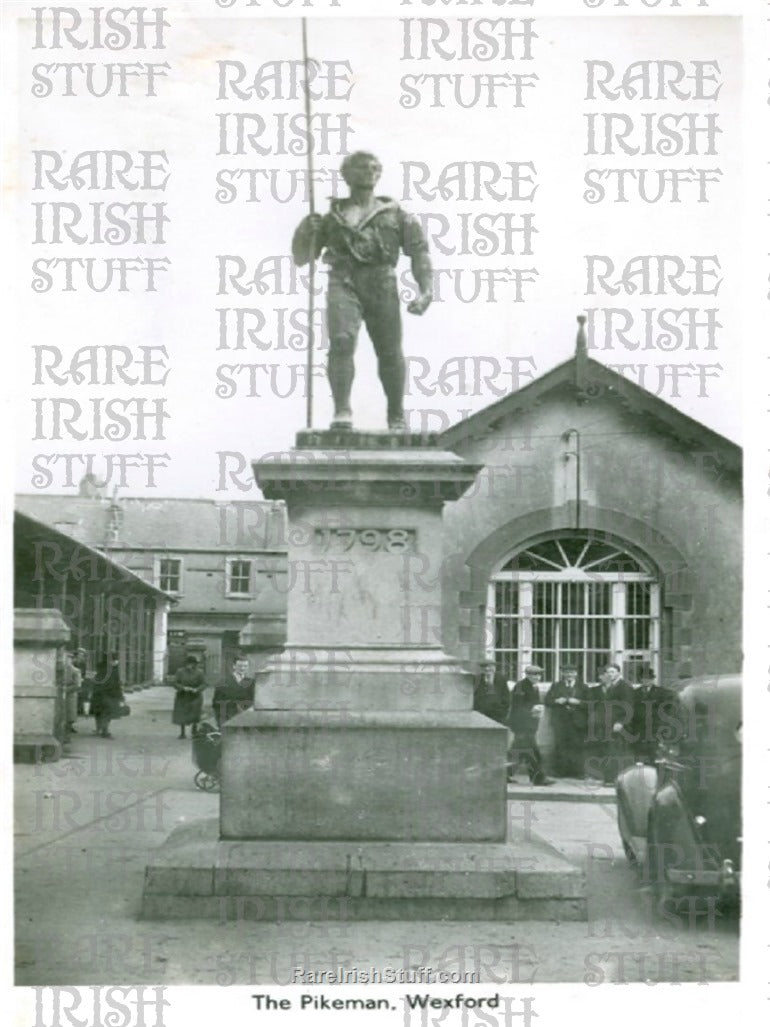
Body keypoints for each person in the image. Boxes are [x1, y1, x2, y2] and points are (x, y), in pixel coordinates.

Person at [292, 151, 433, 431]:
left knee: (389, 350)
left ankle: (396, 414)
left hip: (382, 282)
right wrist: (305, 231)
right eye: (361, 167)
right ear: (347, 174)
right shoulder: (332, 216)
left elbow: (419, 252)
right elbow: (301, 256)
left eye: (374, 167)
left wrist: (426, 290)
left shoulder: (398, 215)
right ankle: (342, 410)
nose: (369, 171)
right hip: (343, 280)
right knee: (342, 342)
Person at [583, 663, 634, 784]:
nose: (609, 674)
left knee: (614, 751)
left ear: (618, 673)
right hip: (604, 724)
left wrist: (621, 722)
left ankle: (612, 779)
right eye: (607, 672)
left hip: (617, 724)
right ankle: (604, 776)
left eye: (612, 672)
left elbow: (629, 707)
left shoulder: (625, 687)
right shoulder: (607, 687)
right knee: (604, 749)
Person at [505, 665, 553, 786]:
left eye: (539, 674)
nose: (537, 677)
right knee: (533, 752)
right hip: (521, 725)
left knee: (519, 751)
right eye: (534, 675)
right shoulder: (520, 686)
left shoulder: (534, 687)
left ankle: (504, 774)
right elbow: (517, 706)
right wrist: (533, 710)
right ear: (528, 675)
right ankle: (538, 778)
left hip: (529, 725)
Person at [544, 664, 588, 778]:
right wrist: (557, 701)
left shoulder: (583, 687)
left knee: (577, 746)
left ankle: (578, 772)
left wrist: (578, 702)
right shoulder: (556, 686)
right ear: (562, 674)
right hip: (560, 721)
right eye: (566, 672)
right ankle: (560, 772)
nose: (569, 675)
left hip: (578, 722)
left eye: (572, 672)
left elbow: (591, 704)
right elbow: (547, 700)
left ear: (576, 674)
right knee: (560, 746)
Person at [628, 667, 678, 765]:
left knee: (655, 756)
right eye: (643, 678)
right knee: (639, 757)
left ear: (652, 679)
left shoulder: (662, 693)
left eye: (648, 679)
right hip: (639, 730)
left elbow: (669, 709)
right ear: (640, 679)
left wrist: (663, 723)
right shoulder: (635, 693)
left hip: (655, 730)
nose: (646, 681)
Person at [212, 655, 254, 727]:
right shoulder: (223, 682)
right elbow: (216, 703)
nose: (243, 668)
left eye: (245, 666)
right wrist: (219, 721)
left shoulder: (251, 682)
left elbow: (254, 700)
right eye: (240, 666)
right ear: (234, 666)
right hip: (228, 718)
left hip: (245, 719)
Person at [90, 652, 124, 740]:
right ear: (110, 661)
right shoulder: (112, 671)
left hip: (99, 695)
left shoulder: (102, 669)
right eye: (115, 660)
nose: (117, 662)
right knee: (107, 714)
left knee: (100, 713)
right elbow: (116, 684)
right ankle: (105, 731)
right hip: (109, 695)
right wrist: (120, 696)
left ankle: (100, 729)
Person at [172, 655, 205, 739]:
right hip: (183, 695)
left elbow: (204, 684)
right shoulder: (180, 672)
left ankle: (194, 731)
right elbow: (175, 683)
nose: (191, 666)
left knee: (195, 712)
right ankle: (182, 733)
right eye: (189, 664)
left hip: (195, 696)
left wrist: (197, 689)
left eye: (193, 664)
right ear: (186, 664)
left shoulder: (199, 672)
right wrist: (183, 688)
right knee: (182, 713)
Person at [473, 659, 510, 725]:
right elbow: (474, 696)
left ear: (494, 667)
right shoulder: (476, 679)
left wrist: (502, 711)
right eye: (484, 667)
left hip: (497, 715)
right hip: (481, 715)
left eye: (490, 666)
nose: (487, 669)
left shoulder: (501, 679)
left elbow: (506, 697)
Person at [62, 650, 82, 738]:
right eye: (66, 658)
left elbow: (77, 685)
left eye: (69, 659)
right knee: (62, 716)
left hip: (70, 695)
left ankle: (67, 736)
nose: (66, 660)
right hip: (62, 695)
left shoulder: (75, 671)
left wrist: (65, 690)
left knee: (69, 716)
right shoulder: (61, 670)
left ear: (72, 660)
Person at [73, 647, 89, 716]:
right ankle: (76, 709)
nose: (81, 655)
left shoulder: (83, 662)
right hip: (74, 679)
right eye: (80, 654)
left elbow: (84, 672)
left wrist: (83, 678)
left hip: (80, 679)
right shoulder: (74, 661)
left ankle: (79, 709)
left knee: (81, 694)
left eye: (83, 654)